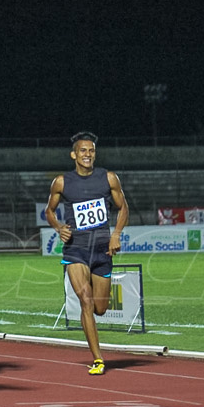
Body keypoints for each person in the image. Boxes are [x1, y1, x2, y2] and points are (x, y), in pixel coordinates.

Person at [45, 131, 129, 376]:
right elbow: (50, 211)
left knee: (99, 308)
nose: (87, 155)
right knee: (85, 299)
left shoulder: (109, 178)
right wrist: (59, 227)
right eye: (83, 150)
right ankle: (98, 359)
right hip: (76, 249)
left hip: (102, 248)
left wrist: (116, 234)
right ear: (74, 154)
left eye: (91, 150)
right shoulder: (62, 182)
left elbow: (123, 207)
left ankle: (89, 321)